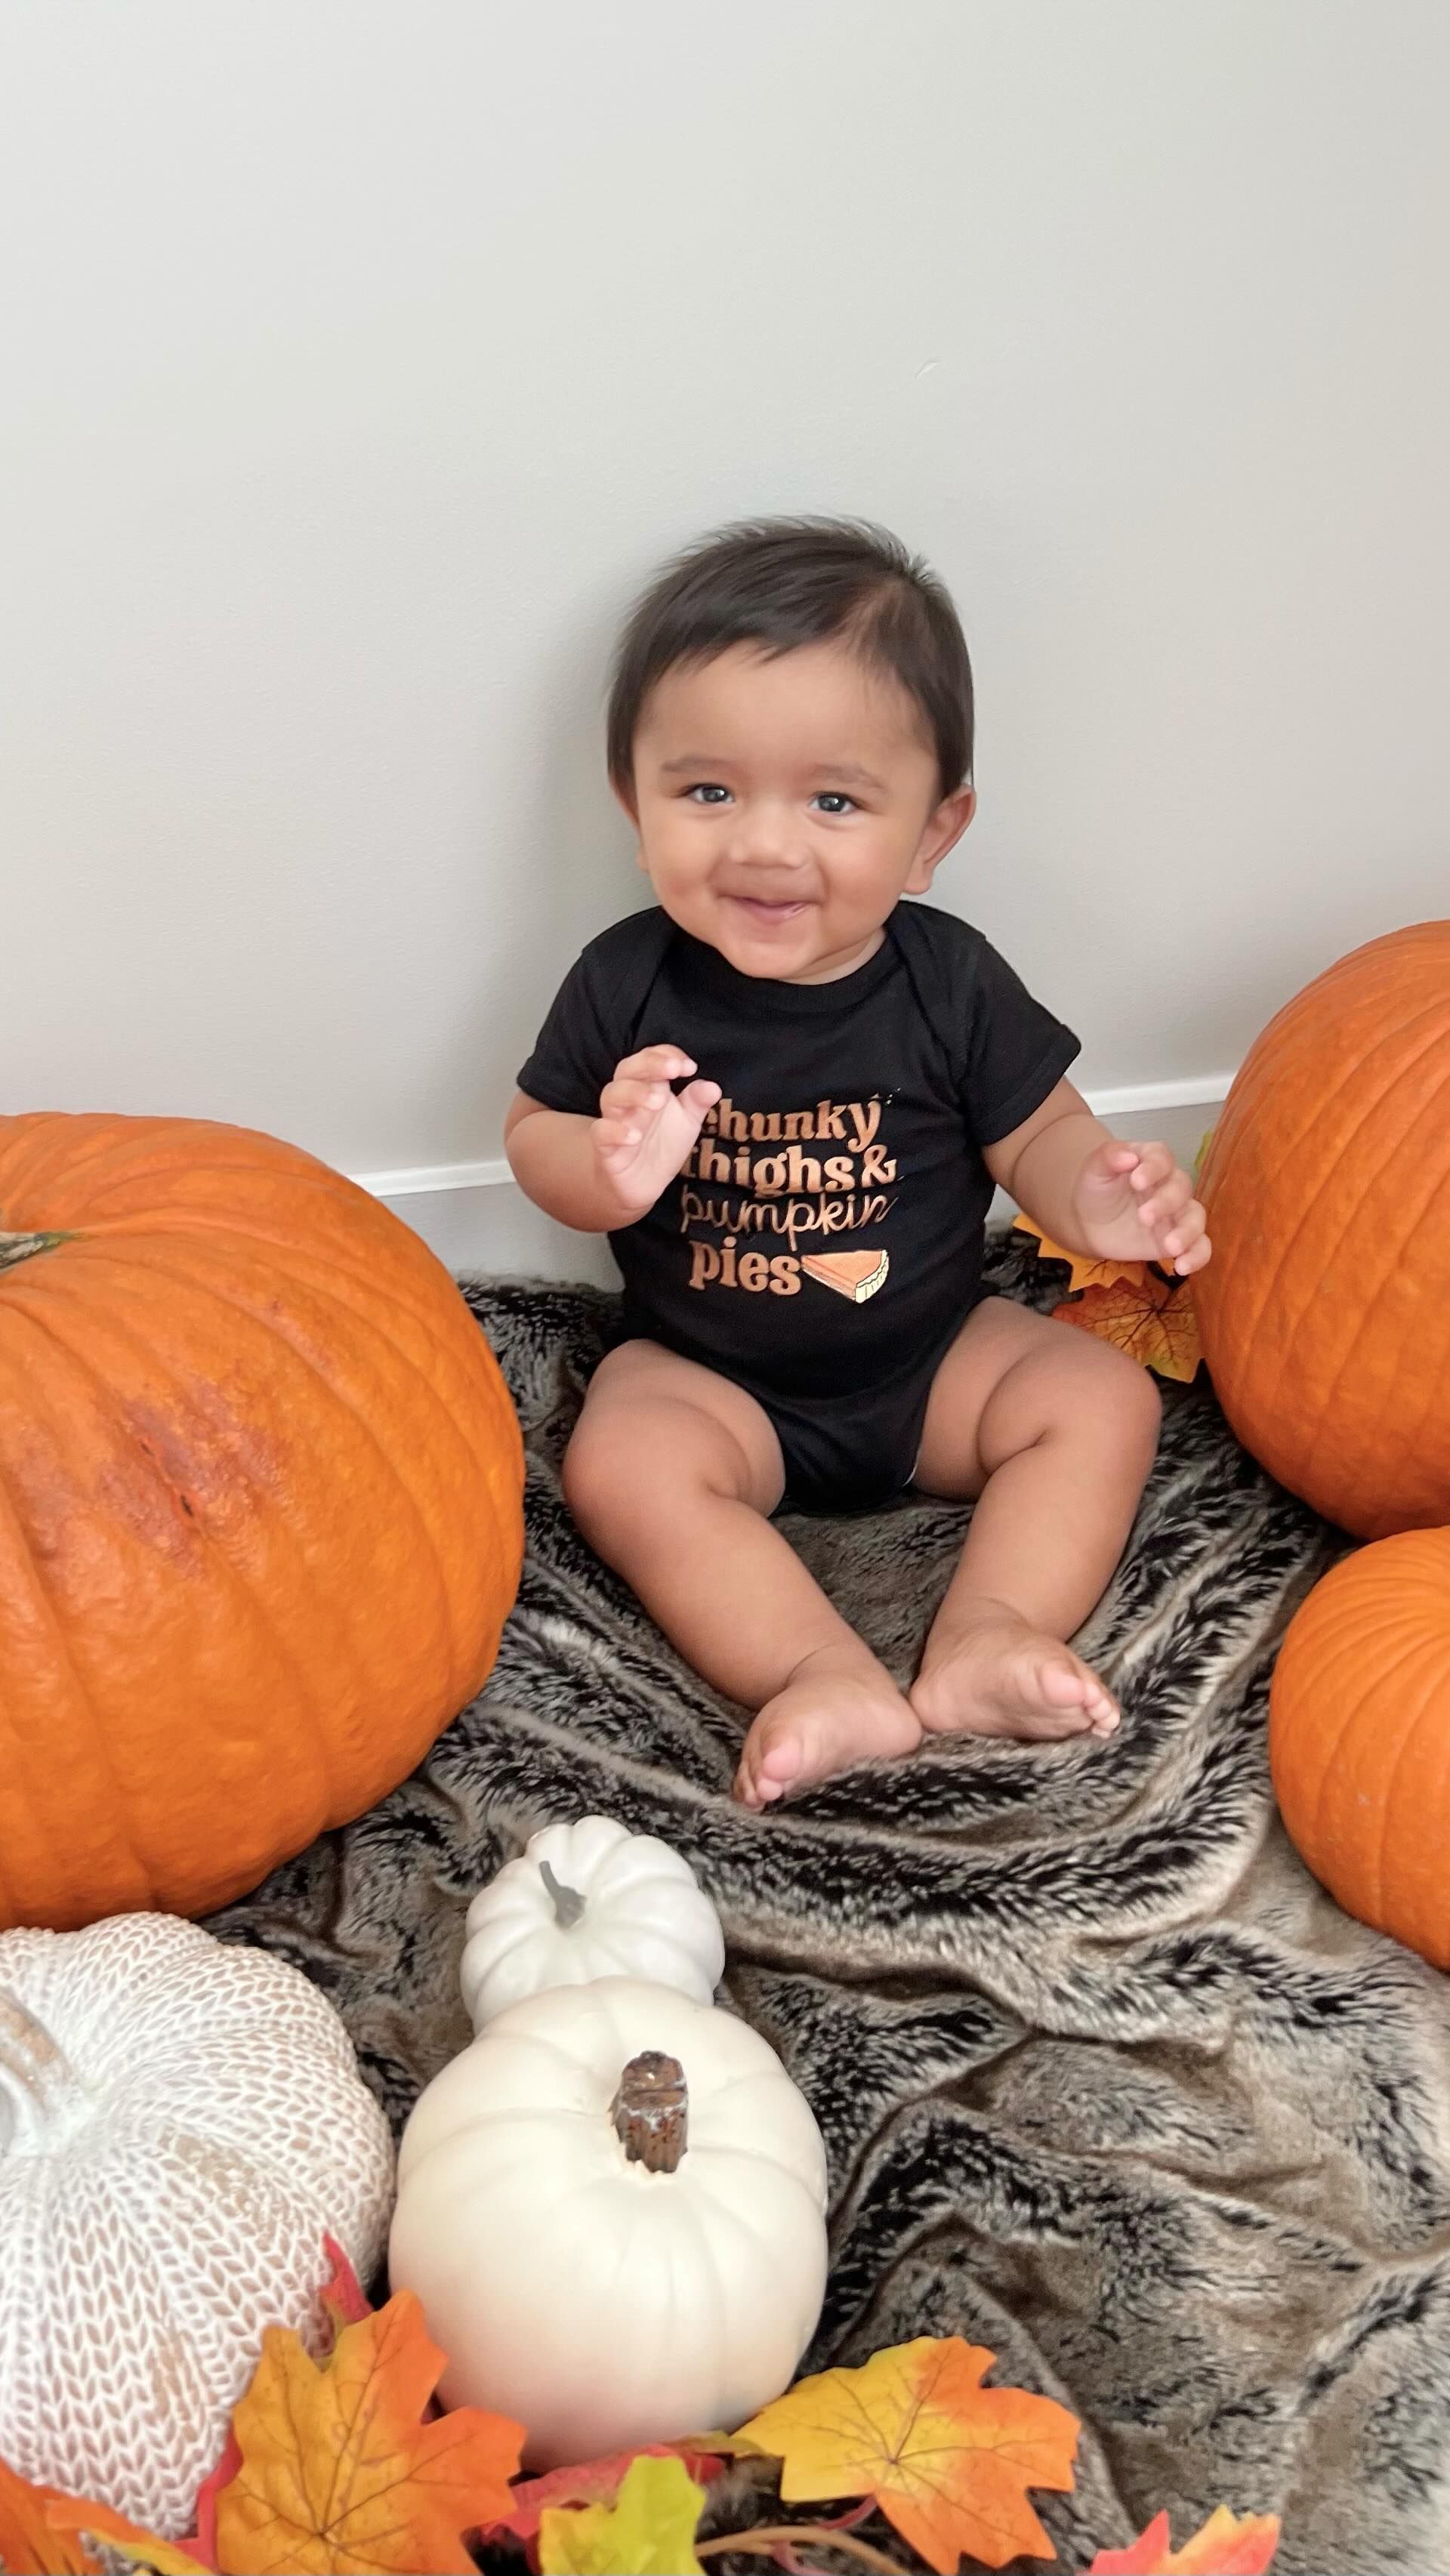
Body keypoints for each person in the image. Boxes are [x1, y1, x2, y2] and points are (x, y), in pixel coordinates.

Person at [506, 518, 1210, 1807]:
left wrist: (1095, 1191)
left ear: (935, 832)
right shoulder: (626, 978)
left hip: (933, 1359)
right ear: (634, 800)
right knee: (621, 1462)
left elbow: (1041, 1130)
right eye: (708, 791)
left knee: (1099, 1399)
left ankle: (991, 1630)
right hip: (714, 1381)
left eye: (834, 800)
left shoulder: (947, 981)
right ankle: (819, 1670)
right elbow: (533, 1132)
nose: (768, 845)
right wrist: (600, 1172)